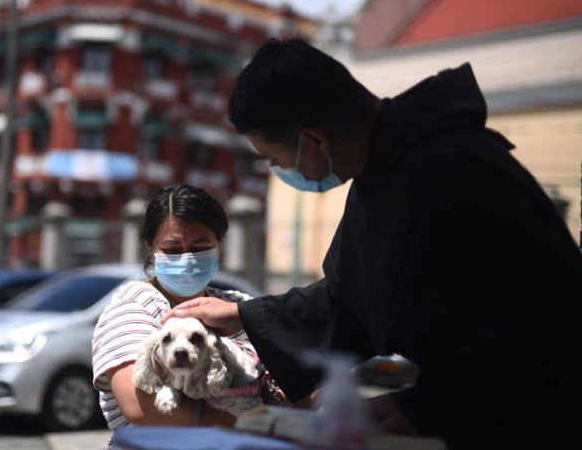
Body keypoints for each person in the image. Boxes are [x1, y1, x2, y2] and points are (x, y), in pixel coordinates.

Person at [164, 39, 582, 449]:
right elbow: (347, 297)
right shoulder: (381, 175)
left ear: (315, 142)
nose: (277, 170)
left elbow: (528, 328)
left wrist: (428, 408)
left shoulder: (449, 173)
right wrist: (246, 315)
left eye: (274, 159)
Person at [92, 184, 279, 430]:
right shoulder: (134, 304)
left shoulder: (237, 305)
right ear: (151, 248)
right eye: (172, 250)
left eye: (200, 248)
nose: (187, 259)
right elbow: (140, 407)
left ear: (219, 245)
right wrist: (261, 421)